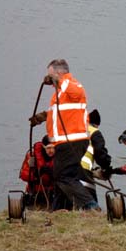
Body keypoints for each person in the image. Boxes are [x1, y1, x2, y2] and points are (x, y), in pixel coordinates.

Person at [29, 59, 99, 210]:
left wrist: (58, 80)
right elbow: (59, 113)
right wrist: (41, 117)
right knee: (64, 176)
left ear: (58, 73)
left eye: (50, 74)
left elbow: (78, 92)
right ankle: (60, 209)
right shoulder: (61, 93)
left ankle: (91, 206)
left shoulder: (72, 85)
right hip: (64, 142)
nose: (47, 78)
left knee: (64, 177)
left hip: (71, 141)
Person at [19, 136, 71, 210]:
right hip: (35, 192)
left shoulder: (61, 157)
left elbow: (68, 176)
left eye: (53, 147)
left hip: (54, 193)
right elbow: (23, 175)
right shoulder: (32, 156)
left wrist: (54, 174)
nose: (51, 151)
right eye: (48, 148)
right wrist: (35, 175)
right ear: (43, 147)